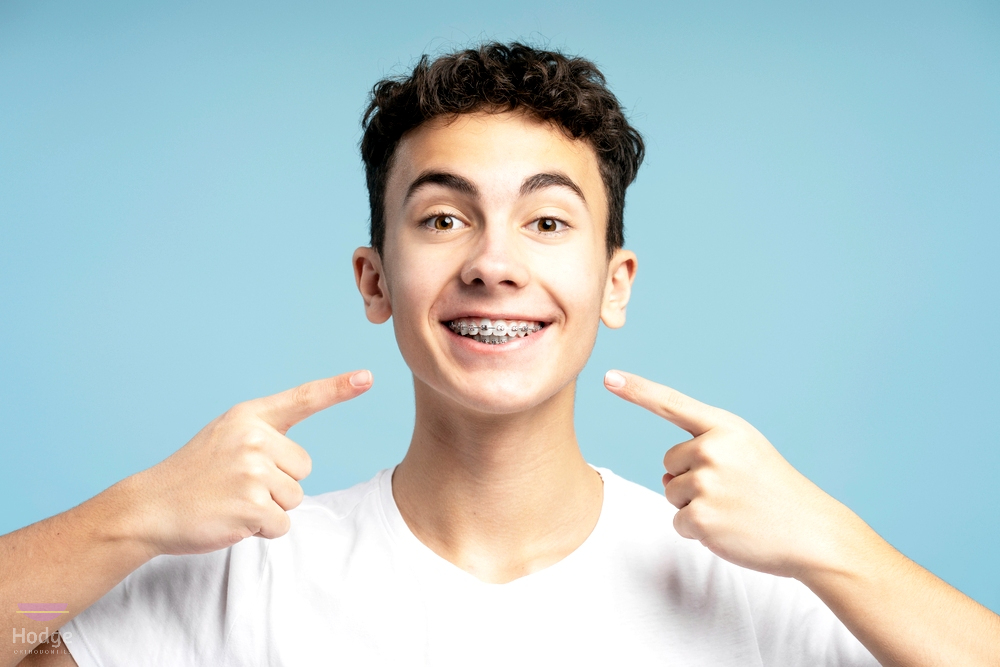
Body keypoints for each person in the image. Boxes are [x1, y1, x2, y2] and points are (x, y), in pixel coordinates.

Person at [5, 42, 998, 667]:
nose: (492, 263)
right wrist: (130, 519)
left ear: (616, 282)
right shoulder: (236, 583)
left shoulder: (763, 583)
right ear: (374, 279)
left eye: (548, 222)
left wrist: (837, 545)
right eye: (443, 217)